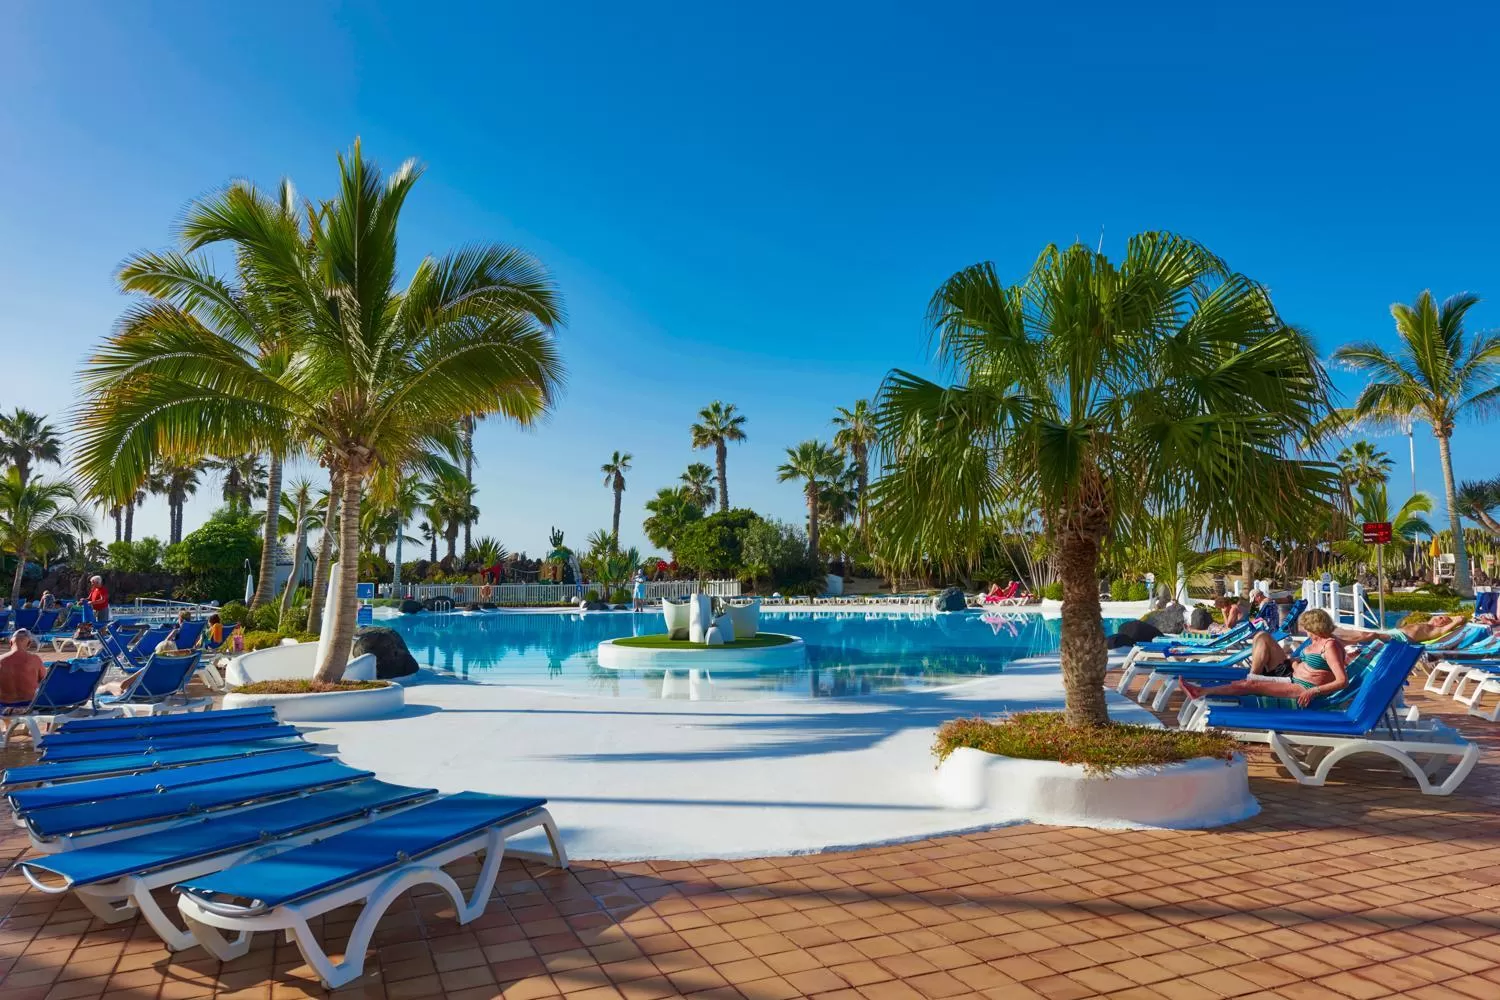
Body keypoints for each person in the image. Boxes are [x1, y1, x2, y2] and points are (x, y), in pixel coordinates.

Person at [1182, 608, 1349, 708]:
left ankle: (1200, 692)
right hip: (1293, 677)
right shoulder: (1318, 642)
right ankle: (1202, 691)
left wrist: (1314, 690)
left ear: (1315, 626)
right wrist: (1297, 664)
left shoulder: (1330, 645)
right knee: (1243, 684)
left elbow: (1342, 681)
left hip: (1302, 688)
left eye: (1307, 628)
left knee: (1250, 685)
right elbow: (1314, 668)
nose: (1306, 632)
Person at [0, 630, 47, 707]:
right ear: (29, 644)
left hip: (4, 705)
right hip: (28, 705)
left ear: (11, 643)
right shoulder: (35, 660)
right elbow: (45, 682)